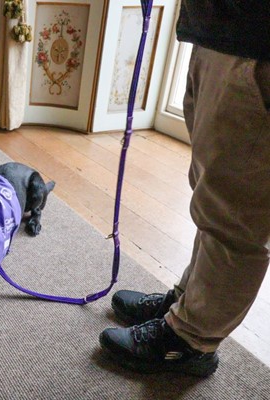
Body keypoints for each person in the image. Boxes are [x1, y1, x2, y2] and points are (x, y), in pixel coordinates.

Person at [99, 0, 270, 376]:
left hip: (257, 41)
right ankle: (187, 303)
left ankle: (192, 341)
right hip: (217, 30)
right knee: (211, 193)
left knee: (235, 214)